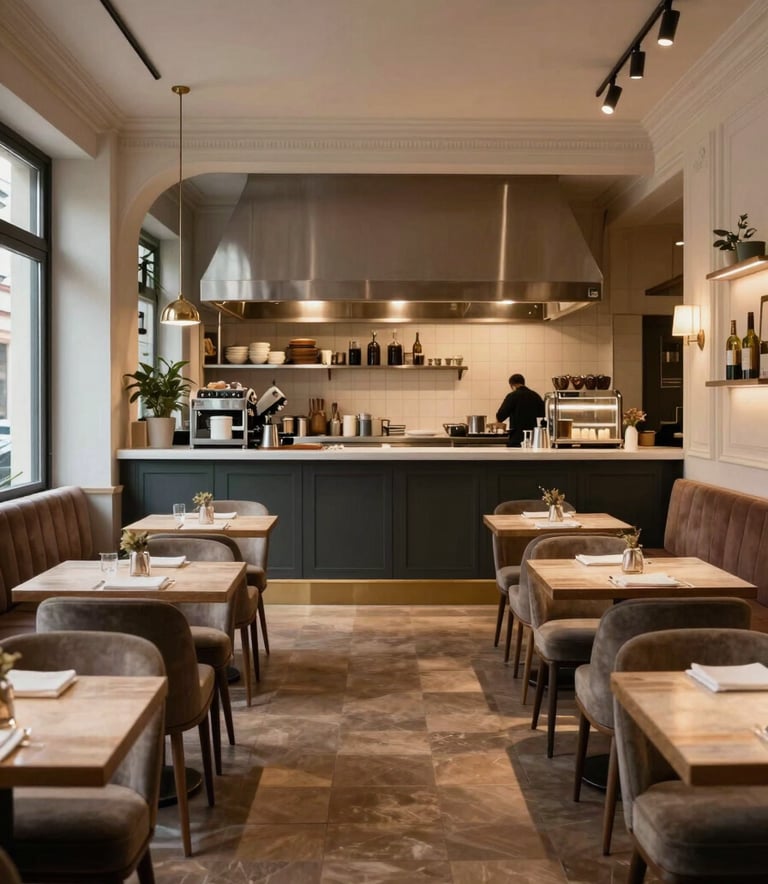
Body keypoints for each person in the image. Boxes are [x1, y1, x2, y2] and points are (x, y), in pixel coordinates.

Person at [496, 373, 545, 447]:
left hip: (516, 439)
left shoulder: (512, 396)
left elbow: (500, 416)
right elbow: (543, 417)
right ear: (523, 383)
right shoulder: (536, 396)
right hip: (534, 439)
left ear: (512, 385)